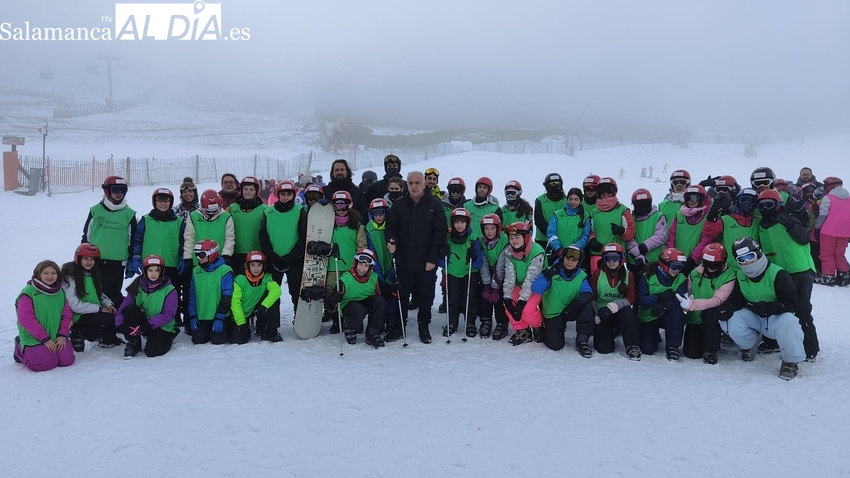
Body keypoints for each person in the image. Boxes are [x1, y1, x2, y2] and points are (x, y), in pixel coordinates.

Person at [723, 237, 804, 380]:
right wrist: (724, 308)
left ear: (758, 253)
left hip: (775, 318)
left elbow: (791, 303)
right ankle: (749, 344)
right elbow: (737, 299)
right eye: (742, 259)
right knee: (729, 318)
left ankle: (790, 361)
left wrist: (769, 308)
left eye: (750, 256)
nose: (747, 262)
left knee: (789, 321)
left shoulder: (778, 273)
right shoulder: (740, 275)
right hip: (754, 316)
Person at [756, 189, 819, 360]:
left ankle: (809, 347)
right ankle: (775, 342)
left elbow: (804, 238)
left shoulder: (788, 218)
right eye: (761, 205)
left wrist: (790, 223)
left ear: (778, 205)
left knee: (802, 309)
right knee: (780, 308)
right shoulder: (763, 225)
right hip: (779, 272)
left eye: (769, 204)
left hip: (800, 269)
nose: (765, 209)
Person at [386, 171, 448, 344]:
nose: (414, 186)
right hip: (403, 259)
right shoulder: (398, 205)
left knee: (425, 296)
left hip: (426, 261)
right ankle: (399, 327)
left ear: (424, 184)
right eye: (411, 183)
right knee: (402, 295)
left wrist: (432, 258)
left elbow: (440, 233)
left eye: (417, 183)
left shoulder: (435, 205)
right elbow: (391, 227)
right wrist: (391, 241)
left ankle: (423, 326)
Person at [131, 188, 186, 325]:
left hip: (171, 263)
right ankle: (149, 318)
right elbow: (137, 240)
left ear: (171, 202)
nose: (163, 204)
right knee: (150, 292)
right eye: (159, 201)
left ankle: (175, 318)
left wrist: (182, 259)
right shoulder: (146, 220)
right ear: (154, 202)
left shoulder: (179, 221)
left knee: (172, 293)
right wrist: (136, 257)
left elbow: (183, 242)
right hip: (150, 266)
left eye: (166, 201)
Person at [81, 175, 137, 307]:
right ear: (107, 191)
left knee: (113, 294)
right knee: (94, 292)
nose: (119, 194)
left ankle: (112, 321)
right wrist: (83, 256)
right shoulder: (95, 211)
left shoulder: (129, 214)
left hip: (117, 262)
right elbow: (86, 235)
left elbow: (132, 239)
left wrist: (131, 259)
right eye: (116, 190)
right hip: (94, 260)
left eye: (123, 190)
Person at [531, 244, 595, 356]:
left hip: (571, 309)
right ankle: (545, 328)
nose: (570, 262)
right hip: (554, 313)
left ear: (579, 261)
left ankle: (582, 340)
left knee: (588, 308)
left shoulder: (581, 275)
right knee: (555, 345)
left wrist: (574, 305)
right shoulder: (551, 272)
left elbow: (588, 293)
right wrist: (547, 275)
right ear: (562, 257)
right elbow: (536, 289)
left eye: (574, 259)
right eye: (567, 258)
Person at [679, 243, 737, 364]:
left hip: (713, 317)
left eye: (714, 265)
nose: (710, 268)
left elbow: (717, 300)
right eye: (706, 264)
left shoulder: (729, 276)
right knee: (692, 353)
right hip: (695, 317)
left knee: (710, 312)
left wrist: (693, 305)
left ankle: (711, 349)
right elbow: (688, 293)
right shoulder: (695, 273)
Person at [14, 260, 76, 372]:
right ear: (38, 274)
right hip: (35, 337)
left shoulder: (59, 291)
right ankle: (19, 349)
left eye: (53, 273)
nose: (50, 276)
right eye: (46, 273)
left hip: (56, 336)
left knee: (67, 361)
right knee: (45, 365)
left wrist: (62, 335)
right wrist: (45, 339)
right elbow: (26, 319)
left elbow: (67, 315)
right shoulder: (29, 292)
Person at [259, 181, 307, 322]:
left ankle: (300, 320)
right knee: (272, 293)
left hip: (294, 259)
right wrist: (270, 254)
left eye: (289, 194)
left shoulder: (299, 210)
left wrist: (292, 255)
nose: (285, 197)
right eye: (283, 194)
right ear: (277, 194)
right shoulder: (268, 212)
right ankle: (271, 325)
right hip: (274, 259)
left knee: (296, 291)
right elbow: (263, 234)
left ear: (293, 195)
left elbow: (304, 235)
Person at [115, 255, 179, 359]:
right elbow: (122, 309)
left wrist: (147, 325)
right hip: (144, 322)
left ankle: (169, 336)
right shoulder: (137, 285)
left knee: (152, 352)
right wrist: (121, 325)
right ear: (145, 271)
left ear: (161, 271)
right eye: (150, 270)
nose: (153, 274)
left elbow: (169, 314)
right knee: (129, 310)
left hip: (161, 325)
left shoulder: (170, 290)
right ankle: (134, 342)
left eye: (156, 270)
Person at [61, 243, 122, 352]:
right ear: (78, 258)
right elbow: (74, 305)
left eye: (92, 259)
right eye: (86, 259)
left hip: (92, 310)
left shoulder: (93, 274)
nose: (89, 262)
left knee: (120, 306)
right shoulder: (71, 276)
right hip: (78, 315)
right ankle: (79, 332)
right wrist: (100, 309)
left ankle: (107, 335)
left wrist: (109, 304)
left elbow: (99, 294)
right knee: (109, 319)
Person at [324, 191, 368, 332]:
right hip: (332, 265)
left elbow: (361, 246)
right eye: (338, 206)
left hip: (351, 268)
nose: (341, 210)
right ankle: (337, 322)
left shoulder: (357, 225)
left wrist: (359, 265)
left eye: (344, 206)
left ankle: (354, 322)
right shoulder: (327, 224)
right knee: (333, 294)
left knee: (350, 295)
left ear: (349, 206)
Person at [324, 249, 387, 348]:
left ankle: (372, 333)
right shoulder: (345, 279)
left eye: (366, 266)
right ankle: (350, 327)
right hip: (349, 305)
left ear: (370, 267)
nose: (362, 269)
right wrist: (335, 299)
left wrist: (393, 289)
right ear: (355, 263)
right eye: (361, 264)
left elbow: (384, 294)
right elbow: (329, 306)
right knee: (357, 308)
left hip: (366, 302)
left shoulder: (374, 278)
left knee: (380, 301)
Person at [635, 248, 689, 360]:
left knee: (678, 312)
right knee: (647, 349)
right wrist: (659, 297)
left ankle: (673, 346)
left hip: (668, 313)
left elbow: (681, 298)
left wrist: (664, 304)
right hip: (649, 314)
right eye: (674, 266)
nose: (677, 270)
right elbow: (642, 299)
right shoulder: (648, 276)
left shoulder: (681, 279)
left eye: (680, 267)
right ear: (664, 264)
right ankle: (653, 334)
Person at [590, 243, 641, 360]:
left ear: (621, 259)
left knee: (629, 313)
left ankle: (632, 344)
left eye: (615, 258)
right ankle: (610, 332)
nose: (611, 262)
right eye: (608, 259)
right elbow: (591, 297)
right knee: (604, 349)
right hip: (602, 314)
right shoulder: (597, 274)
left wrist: (612, 307)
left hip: (619, 312)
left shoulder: (629, 275)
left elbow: (631, 298)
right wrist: (596, 315)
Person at [439, 208, 484, 338]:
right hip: (452, 273)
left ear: (468, 223)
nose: (459, 225)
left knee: (469, 299)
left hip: (469, 273)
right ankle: (452, 322)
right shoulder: (447, 238)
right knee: (452, 298)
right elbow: (441, 263)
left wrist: (474, 256)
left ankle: (470, 322)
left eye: (462, 222)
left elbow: (478, 264)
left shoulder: (474, 238)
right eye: (456, 222)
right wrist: (442, 253)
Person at [502, 222, 546, 346]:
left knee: (527, 309)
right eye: (511, 238)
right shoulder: (509, 252)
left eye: (517, 237)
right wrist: (507, 297)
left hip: (537, 286)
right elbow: (509, 276)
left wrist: (521, 302)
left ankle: (538, 326)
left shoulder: (537, 251)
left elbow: (531, 279)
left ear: (525, 237)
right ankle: (522, 329)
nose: (514, 241)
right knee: (508, 304)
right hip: (519, 284)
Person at [364, 198, 402, 341]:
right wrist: (377, 271)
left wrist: (394, 269)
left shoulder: (391, 226)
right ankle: (380, 321)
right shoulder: (369, 228)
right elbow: (371, 250)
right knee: (380, 294)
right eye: (375, 213)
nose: (378, 216)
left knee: (393, 294)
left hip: (392, 266)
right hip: (378, 267)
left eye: (381, 213)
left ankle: (392, 320)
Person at [188, 240, 234, 345]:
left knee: (217, 340)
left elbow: (227, 296)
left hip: (219, 316)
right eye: (197, 255)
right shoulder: (196, 271)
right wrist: (193, 316)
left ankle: (229, 329)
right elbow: (192, 295)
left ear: (212, 254)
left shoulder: (225, 271)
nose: (199, 258)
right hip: (202, 315)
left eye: (202, 254)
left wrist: (220, 317)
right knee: (198, 340)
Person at [667, 185, 720, 275]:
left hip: (697, 263)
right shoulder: (679, 215)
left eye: (694, 198)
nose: (690, 201)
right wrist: (671, 256)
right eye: (687, 198)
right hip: (677, 262)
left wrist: (692, 260)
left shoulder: (708, 217)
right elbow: (671, 237)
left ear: (702, 199)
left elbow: (706, 241)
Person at [231, 251, 283, 343]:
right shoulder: (239, 280)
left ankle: (270, 330)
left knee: (274, 299)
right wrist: (241, 323)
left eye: (259, 265)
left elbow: (276, 290)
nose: (256, 269)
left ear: (264, 266)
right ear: (247, 265)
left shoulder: (267, 277)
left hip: (256, 308)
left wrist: (264, 306)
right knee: (240, 339)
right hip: (241, 314)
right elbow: (235, 304)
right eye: (253, 265)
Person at [587, 177, 635, 274]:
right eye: (602, 190)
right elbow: (590, 231)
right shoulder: (594, 212)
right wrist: (592, 240)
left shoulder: (623, 210)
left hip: (616, 256)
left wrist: (622, 231)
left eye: (608, 190)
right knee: (596, 282)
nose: (605, 194)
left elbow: (631, 233)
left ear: (614, 192)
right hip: (597, 254)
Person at [183, 189, 235, 272]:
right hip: (198, 260)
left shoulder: (226, 217)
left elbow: (229, 238)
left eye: (214, 211)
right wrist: (188, 257)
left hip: (219, 261)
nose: (211, 214)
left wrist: (226, 255)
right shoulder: (193, 216)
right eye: (208, 211)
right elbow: (189, 238)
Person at [478, 214, 509, 340]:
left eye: (492, 228)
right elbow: (483, 262)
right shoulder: (481, 241)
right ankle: (486, 321)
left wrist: (495, 286)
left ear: (498, 229)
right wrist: (486, 284)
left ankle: (502, 323)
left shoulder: (505, 240)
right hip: (488, 271)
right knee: (485, 294)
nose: (489, 232)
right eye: (486, 228)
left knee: (498, 297)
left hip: (502, 273)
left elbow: (501, 265)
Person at [814, 177, 850, 286]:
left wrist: (817, 228)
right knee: (839, 254)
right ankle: (844, 275)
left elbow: (822, 215)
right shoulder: (848, 198)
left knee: (826, 254)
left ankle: (828, 276)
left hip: (828, 231)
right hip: (845, 231)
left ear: (829, 187)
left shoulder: (828, 198)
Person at [228, 177, 268, 271]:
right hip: (236, 253)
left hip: (257, 254)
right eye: (245, 189)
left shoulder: (265, 209)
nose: (248, 192)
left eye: (251, 189)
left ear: (256, 191)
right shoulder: (232, 208)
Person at [716, 188, 759, 272]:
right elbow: (710, 234)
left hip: (753, 266)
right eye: (743, 200)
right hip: (730, 268)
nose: (746, 203)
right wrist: (712, 214)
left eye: (751, 201)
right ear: (737, 201)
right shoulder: (725, 219)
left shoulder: (758, 221)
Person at [626, 189, 667, 273]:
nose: (642, 208)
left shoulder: (658, 216)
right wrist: (637, 254)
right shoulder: (630, 218)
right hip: (634, 261)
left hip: (652, 261)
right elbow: (628, 236)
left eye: (645, 204)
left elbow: (660, 236)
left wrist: (642, 248)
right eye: (639, 205)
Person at [546, 187, 591, 262]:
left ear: (580, 200)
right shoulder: (557, 214)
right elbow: (551, 233)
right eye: (571, 199)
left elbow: (585, 236)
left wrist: (574, 249)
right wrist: (558, 248)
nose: (573, 202)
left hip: (576, 255)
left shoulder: (586, 216)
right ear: (567, 199)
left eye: (576, 199)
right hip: (558, 253)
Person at [533, 173, 567, 249]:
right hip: (543, 240)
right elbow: (538, 220)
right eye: (552, 184)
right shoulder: (540, 200)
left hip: (561, 239)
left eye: (557, 184)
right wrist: (551, 234)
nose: (554, 186)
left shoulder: (566, 200)